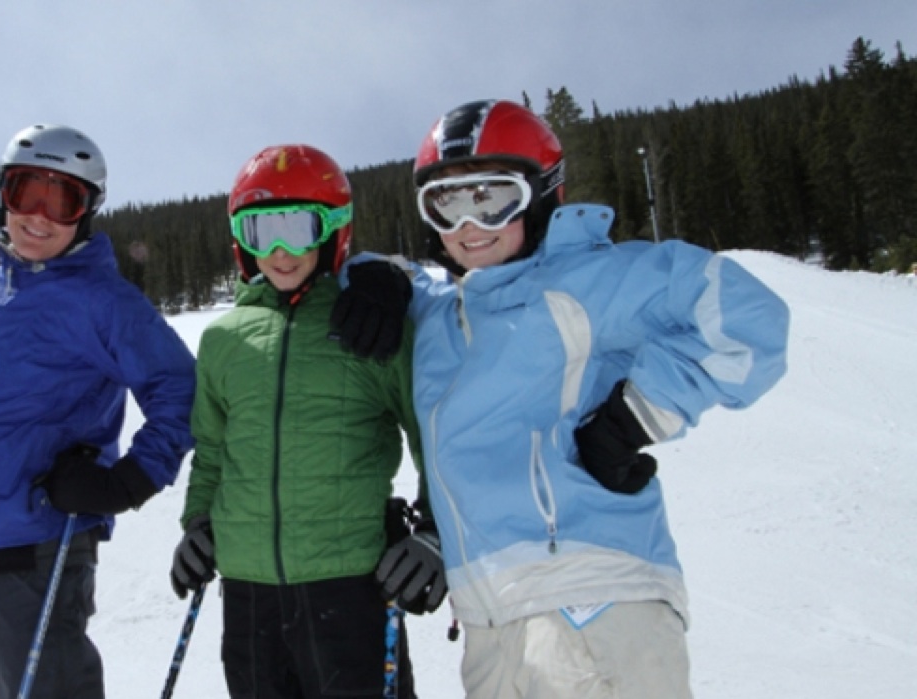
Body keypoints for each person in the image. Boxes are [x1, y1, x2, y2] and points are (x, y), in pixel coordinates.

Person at [331, 99, 790, 698]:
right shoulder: (444, 307)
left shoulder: (590, 279)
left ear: (542, 193)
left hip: (592, 600)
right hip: (491, 626)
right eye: (445, 204)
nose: (468, 225)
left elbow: (752, 320)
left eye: (491, 198)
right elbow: (353, 272)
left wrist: (634, 418)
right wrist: (379, 276)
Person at [168, 144, 445, 699]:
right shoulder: (223, 340)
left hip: (349, 586)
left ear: (332, 230)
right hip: (249, 596)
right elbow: (213, 452)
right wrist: (197, 524)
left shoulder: (371, 323)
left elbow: (433, 439)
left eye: (297, 229)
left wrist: (435, 535)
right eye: (260, 231)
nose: (279, 251)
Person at [0, 123, 196, 699]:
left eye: (62, 201)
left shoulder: (103, 301)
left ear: (87, 212)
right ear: (3, 195)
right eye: (25, 192)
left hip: (39, 547)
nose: (39, 216)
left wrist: (128, 481)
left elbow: (182, 389)